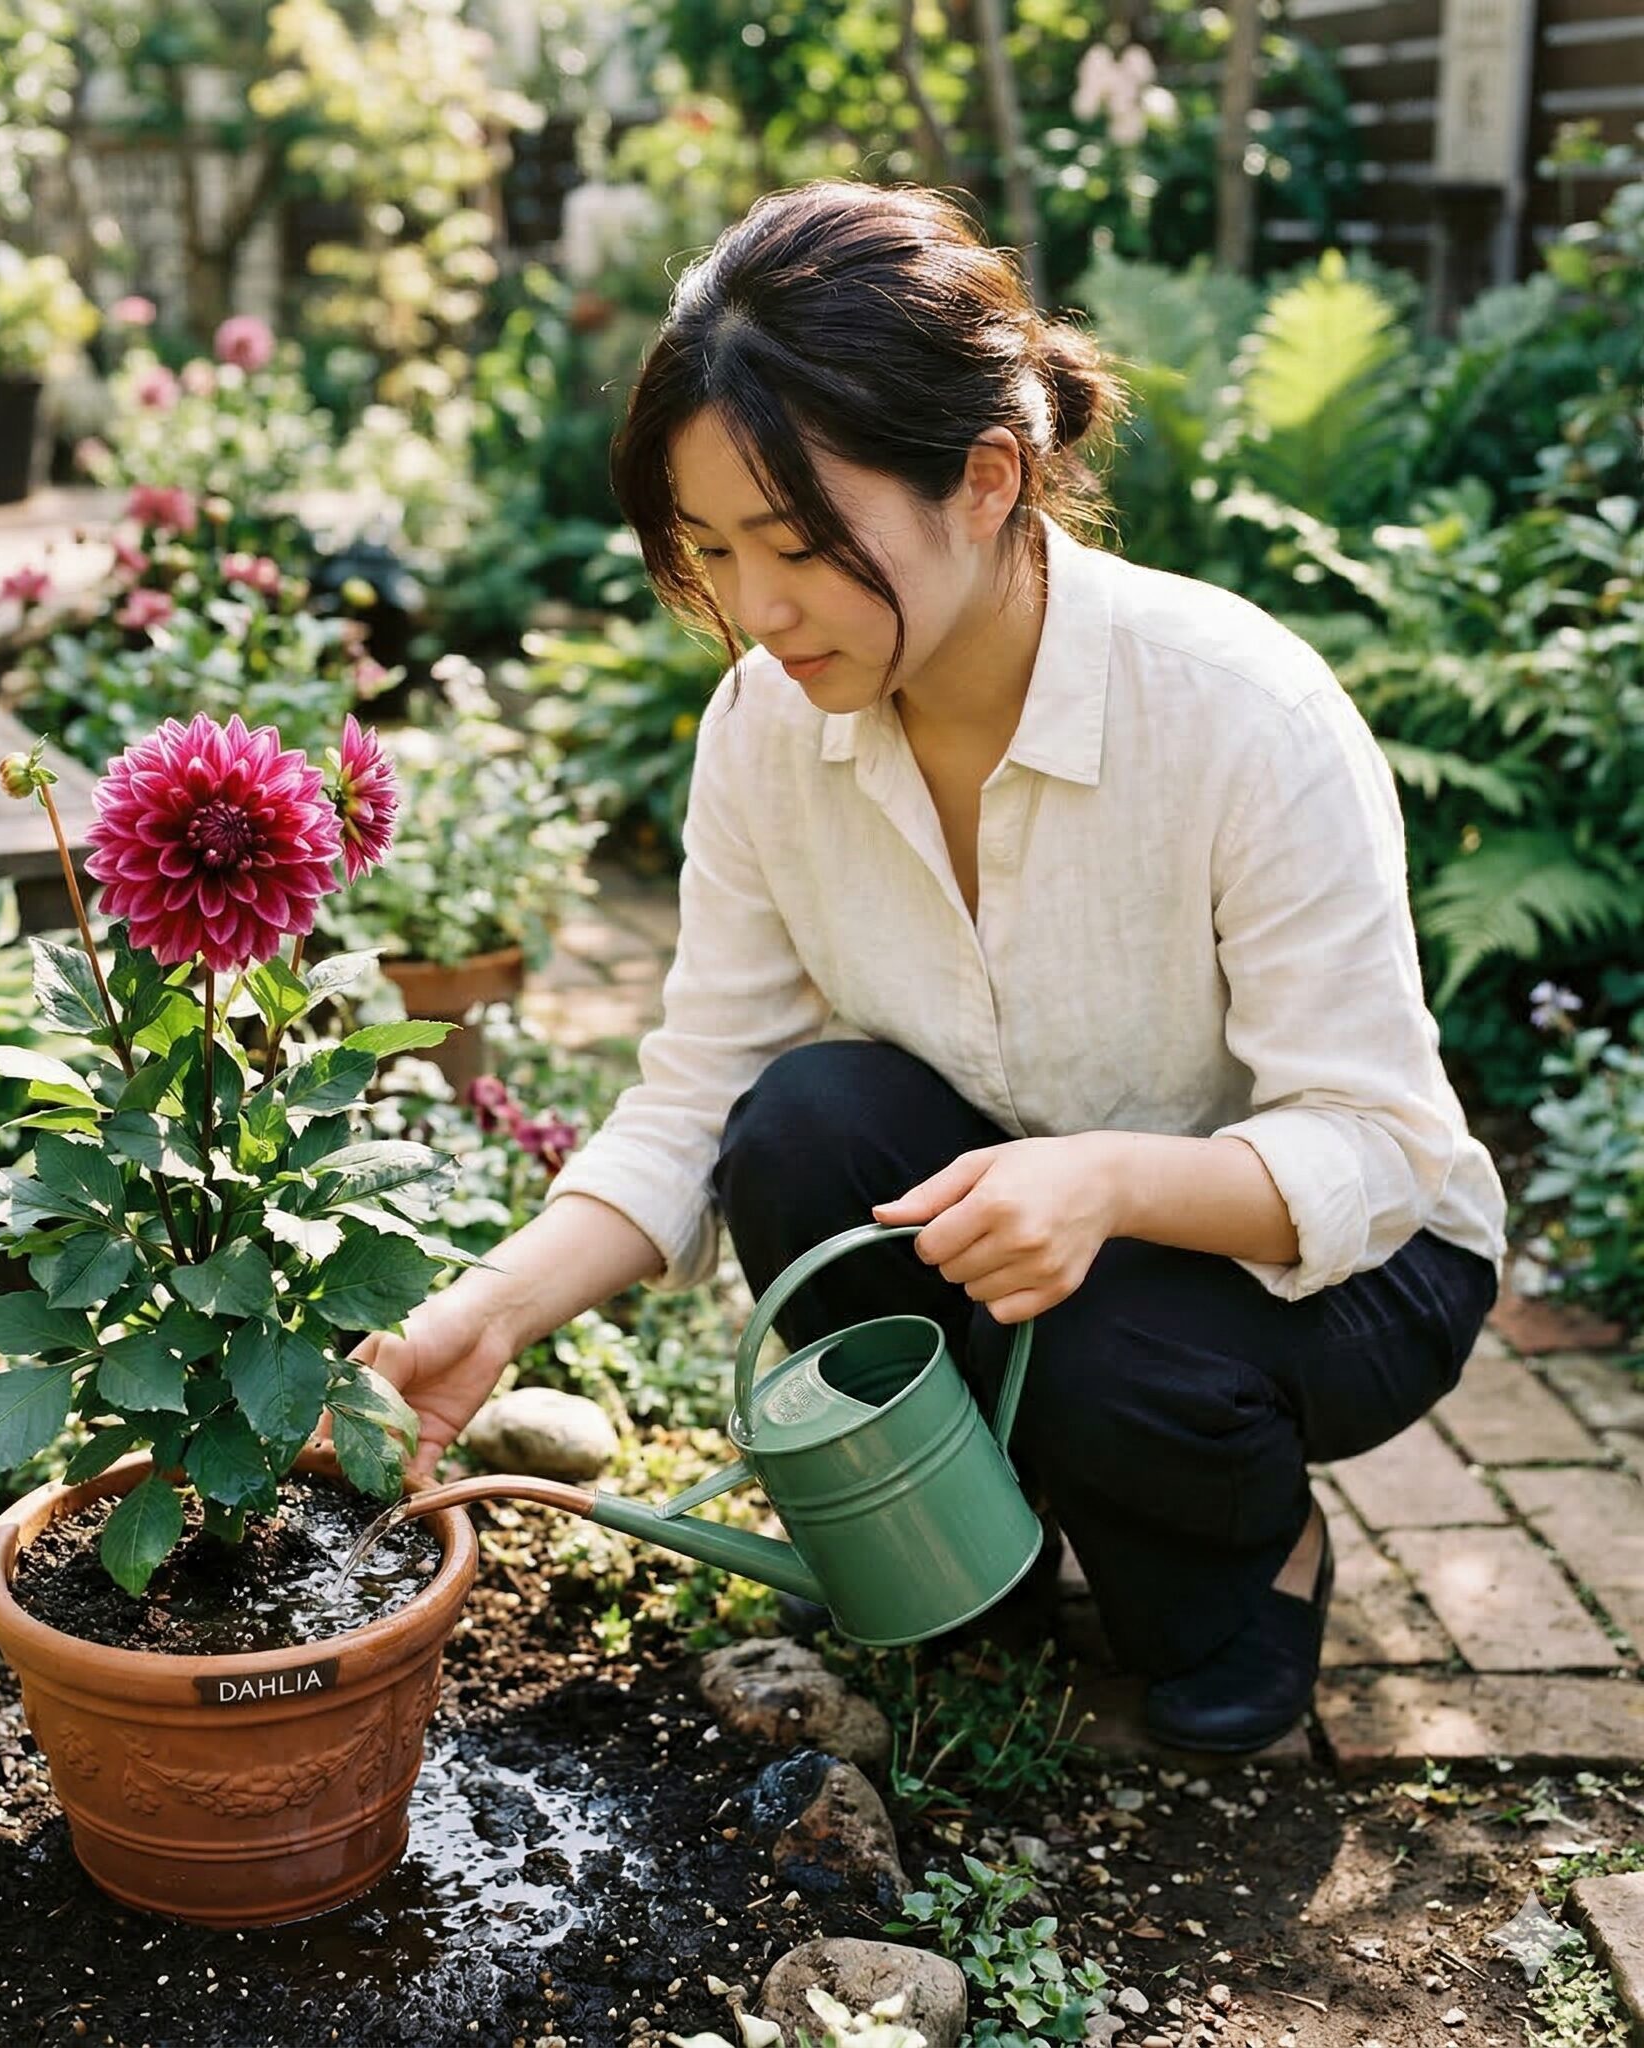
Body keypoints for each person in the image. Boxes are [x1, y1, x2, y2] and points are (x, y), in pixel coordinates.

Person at [356, 181, 1506, 1754]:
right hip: (1029, 1227)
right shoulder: (770, 727)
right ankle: (983, 1551)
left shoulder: (1240, 715)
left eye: (804, 548)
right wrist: (487, 1313)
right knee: (803, 1123)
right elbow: (702, 1093)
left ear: (986, 478)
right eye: (713, 552)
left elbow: (1380, 1150)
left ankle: (1257, 1554)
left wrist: (1106, 1182)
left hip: (1346, 1268)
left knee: (1111, 1354)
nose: (759, 614)